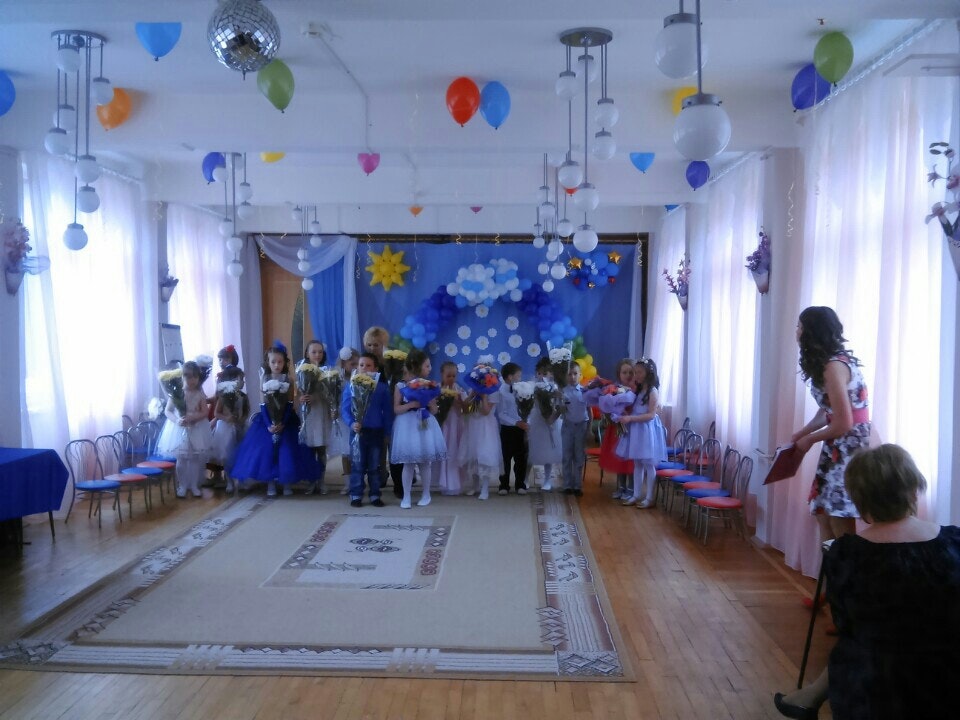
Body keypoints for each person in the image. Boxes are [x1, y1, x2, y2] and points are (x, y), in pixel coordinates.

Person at [773, 444, 960, 720]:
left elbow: (845, 624)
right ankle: (809, 696)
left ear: (860, 501)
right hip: (947, 681)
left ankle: (809, 696)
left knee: (859, 641)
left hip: (872, 690)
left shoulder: (846, 554)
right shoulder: (954, 542)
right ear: (913, 489)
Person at [792, 307, 871, 555]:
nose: (797, 331)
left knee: (839, 518)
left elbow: (844, 422)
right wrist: (802, 433)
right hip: (838, 446)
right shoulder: (831, 362)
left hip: (849, 449)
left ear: (812, 332)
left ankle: (843, 576)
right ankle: (828, 576)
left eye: (800, 326)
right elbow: (828, 409)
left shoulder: (834, 367)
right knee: (823, 513)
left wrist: (810, 440)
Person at [229, 342, 321, 497]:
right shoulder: (264, 379)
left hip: (286, 421)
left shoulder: (289, 380)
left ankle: (286, 483)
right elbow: (262, 403)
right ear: (268, 362)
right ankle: (271, 482)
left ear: (284, 362)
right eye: (273, 362)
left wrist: (282, 423)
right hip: (267, 422)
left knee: (287, 451)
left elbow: (290, 403)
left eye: (280, 362)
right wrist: (269, 425)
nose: (277, 365)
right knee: (268, 452)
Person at [391, 349, 446, 509]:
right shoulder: (401, 385)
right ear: (416, 366)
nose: (430, 369)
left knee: (424, 462)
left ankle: (426, 494)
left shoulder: (429, 386)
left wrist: (430, 404)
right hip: (407, 425)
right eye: (427, 366)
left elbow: (434, 410)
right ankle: (406, 496)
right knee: (408, 463)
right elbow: (396, 409)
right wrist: (411, 404)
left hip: (425, 424)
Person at [341, 352, 393, 507]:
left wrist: (387, 432)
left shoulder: (382, 388)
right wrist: (352, 423)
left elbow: (387, 412)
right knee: (357, 465)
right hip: (358, 432)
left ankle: (375, 494)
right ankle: (356, 494)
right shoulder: (351, 386)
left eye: (368, 365)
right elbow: (345, 409)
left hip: (376, 431)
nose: (364, 368)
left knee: (374, 466)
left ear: (375, 369)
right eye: (361, 365)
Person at [616, 357, 667, 508]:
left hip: (646, 431)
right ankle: (636, 494)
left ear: (648, 373)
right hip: (636, 430)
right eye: (635, 372)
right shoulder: (638, 390)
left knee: (648, 464)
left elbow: (651, 415)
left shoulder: (652, 391)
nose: (635, 375)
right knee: (637, 463)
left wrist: (631, 418)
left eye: (639, 372)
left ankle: (649, 497)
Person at [158, 360, 211, 498]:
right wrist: (177, 420)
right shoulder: (177, 393)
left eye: (194, 377)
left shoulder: (199, 393)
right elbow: (168, 411)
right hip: (179, 430)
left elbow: (205, 412)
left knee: (194, 459)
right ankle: (182, 485)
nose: (191, 380)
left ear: (198, 378)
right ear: (182, 377)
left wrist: (193, 417)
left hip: (196, 428)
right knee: (181, 459)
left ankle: (194, 485)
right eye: (188, 376)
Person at [584, 359, 635, 500]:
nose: (628, 375)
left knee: (630, 460)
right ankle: (621, 487)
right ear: (619, 374)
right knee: (619, 458)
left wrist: (626, 413)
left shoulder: (635, 389)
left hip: (631, 429)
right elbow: (607, 405)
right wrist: (610, 411)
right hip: (616, 430)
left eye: (631, 372)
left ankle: (631, 489)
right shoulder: (613, 388)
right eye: (624, 372)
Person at [297, 339, 330, 495]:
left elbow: (329, 393)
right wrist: (301, 398)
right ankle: (311, 480)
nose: (317, 355)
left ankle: (321, 480)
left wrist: (316, 397)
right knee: (309, 449)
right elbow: (297, 391)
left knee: (321, 448)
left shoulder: (327, 371)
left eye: (320, 352)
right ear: (307, 353)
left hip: (321, 411)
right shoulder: (301, 370)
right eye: (314, 352)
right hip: (307, 413)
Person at [209, 364, 249, 493]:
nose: (242, 382)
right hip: (225, 429)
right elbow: (216, 413)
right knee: (227, 456)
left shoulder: (243, 396)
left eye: (243, 379)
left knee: (241, 455)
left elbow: (246, 411)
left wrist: (241, 420)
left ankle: (241, 481)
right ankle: (229, 481)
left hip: (240, 427)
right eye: (240, 379)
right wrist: (227, 418)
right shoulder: (223, 397)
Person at [528, 356, 563, 493]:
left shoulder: (555, 387)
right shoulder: (533, 386)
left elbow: (558, 405)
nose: (544, 375)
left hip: (552, 421)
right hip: (537, 420)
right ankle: (525, 478)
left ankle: (547, 480)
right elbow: (530, 403)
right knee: (532, 449)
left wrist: (552, 414)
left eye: (548, 372)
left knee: (549, 451)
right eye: (541, 372)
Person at [434, 361, 467, 495]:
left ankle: (454, 483)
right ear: (441, 374)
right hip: (442, 424)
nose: (451, 379)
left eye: (454, 376)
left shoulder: (458, 389)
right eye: (448, 376)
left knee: (453, 452)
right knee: (442, 452)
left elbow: (466, 409)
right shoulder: (436, 388)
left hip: (455, 425)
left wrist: (458, 402)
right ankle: (441, 482)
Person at [496, 362, 528, 495]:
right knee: (506, 458)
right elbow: (501, 414)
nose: (520, 378)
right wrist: (516, 422)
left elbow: (527, 407)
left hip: (520, 429)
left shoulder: (522, 389)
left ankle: (520, 484)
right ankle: (504, 485)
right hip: (508, 429)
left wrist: (525, 422)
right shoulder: (501, 391)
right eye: (518, 376)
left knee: (521, 457)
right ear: (510, 377)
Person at [560, 364, 589, 497]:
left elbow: (589, 411)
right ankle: (567, 485)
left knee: (579, 456)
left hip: (581, 427)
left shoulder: (585, 391)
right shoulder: (562, 392)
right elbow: (560, 411)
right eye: (569, 374)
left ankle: (577, 485)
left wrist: (590, 430)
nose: (572, 377)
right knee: (567, 456)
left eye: (575, 373)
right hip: (568, 426)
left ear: (580, 374)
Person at [333, 347, 359, 493]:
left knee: (357, 452)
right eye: (352, 364)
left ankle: (357, 480)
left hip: (357, 417)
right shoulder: (338, 379)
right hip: (344, 418)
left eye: (357, 364)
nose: (355, 367)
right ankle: (348, 482)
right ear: (343, 364)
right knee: (346, 451)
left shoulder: (360, 379)